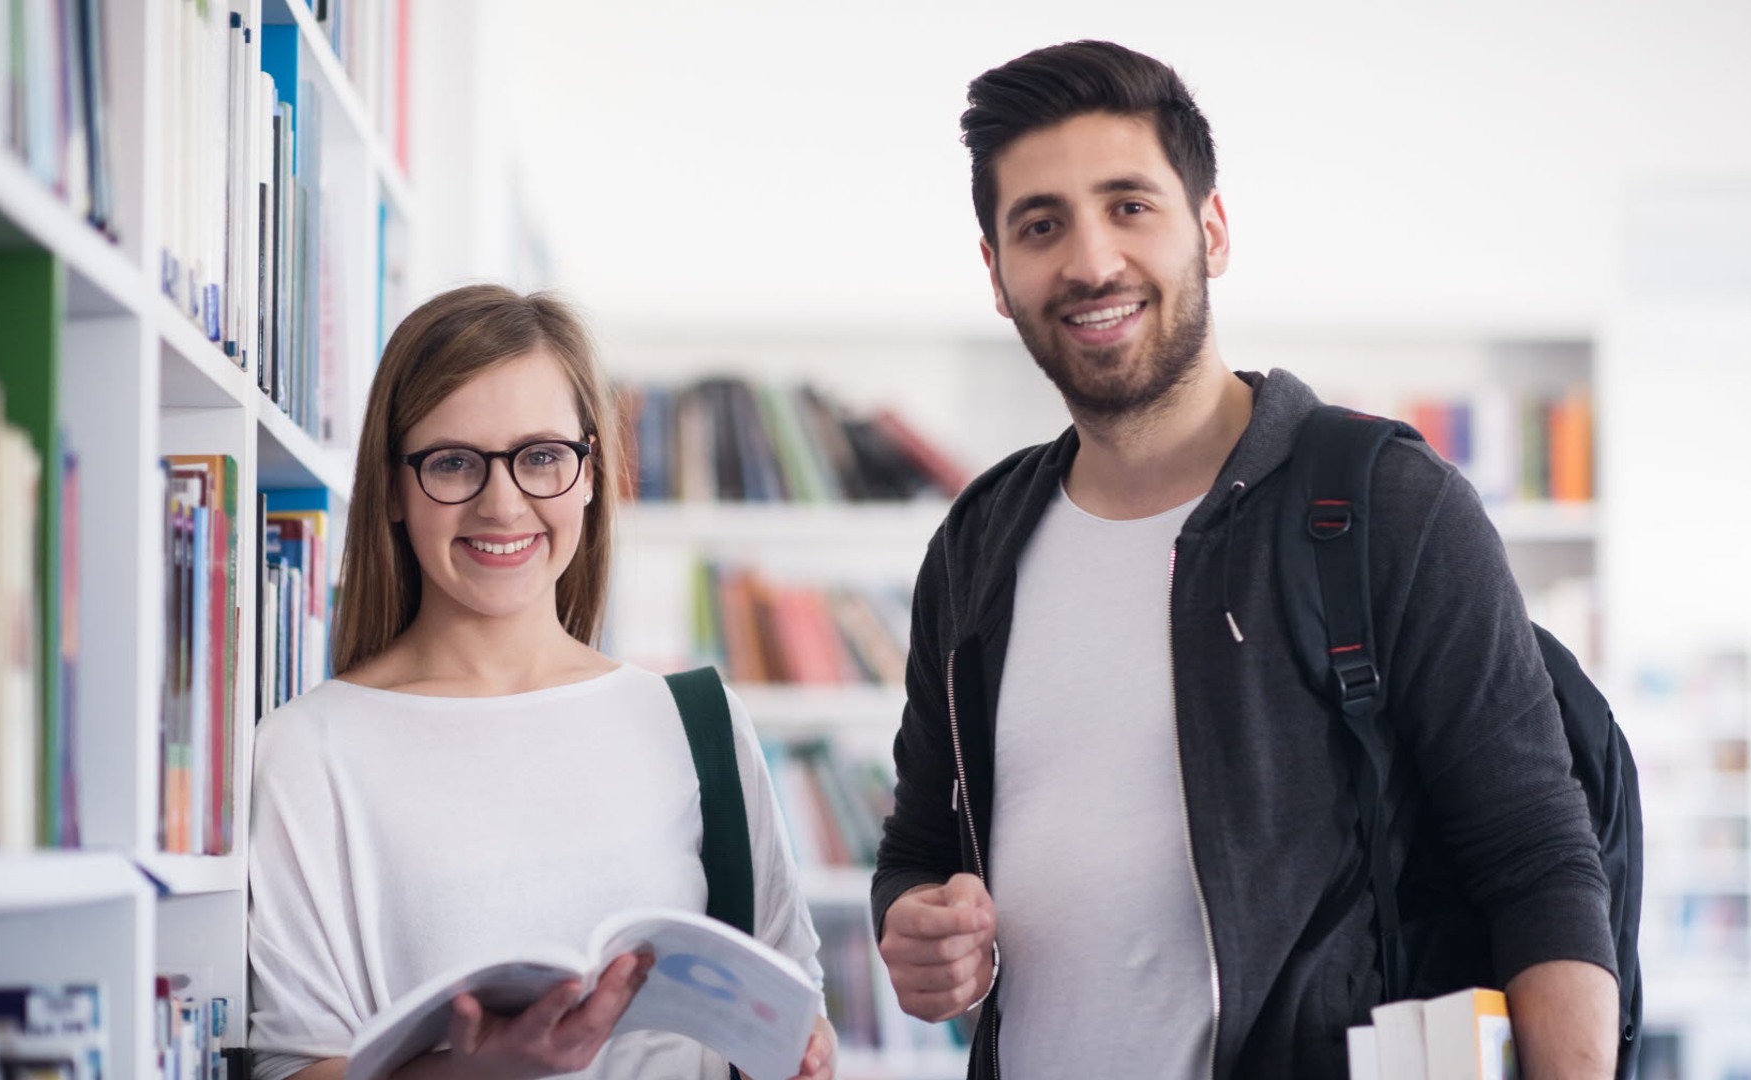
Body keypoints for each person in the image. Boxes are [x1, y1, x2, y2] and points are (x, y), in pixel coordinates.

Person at [871, 40, 1620, 1079]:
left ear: (1210, 232)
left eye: (1130, 205)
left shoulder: (1384, 503)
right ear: (998, 275)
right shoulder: (978, 541)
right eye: (1040, 226)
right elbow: (918, 848)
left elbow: (1537, 856)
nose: (1090, 261)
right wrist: (914, 923)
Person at [247, 285, 836, 1080]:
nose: (502, 503)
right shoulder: (305, 752)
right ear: (391, 486)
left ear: (590, 474)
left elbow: (791, 1006)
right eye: (452, 463)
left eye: (542, 457)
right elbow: (292, 1067)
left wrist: (805, 1054)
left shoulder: (695, 722)